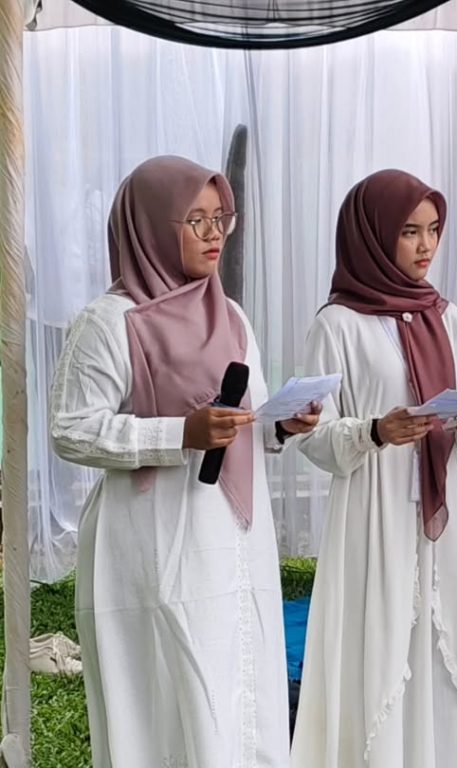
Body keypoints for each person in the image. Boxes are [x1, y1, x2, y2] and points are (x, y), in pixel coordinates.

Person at [49, 156, 319, 768]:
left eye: (220, 218)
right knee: (170, 699)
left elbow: (241, 419)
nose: (213, 233)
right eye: (195, 220)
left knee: (241, 687)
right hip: (156, 540)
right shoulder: (108, 322)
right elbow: (72, 430)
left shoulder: (231, 315)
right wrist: (180, 433)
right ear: (150, 225)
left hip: (235, 539)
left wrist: (280, 424)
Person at [290, 170, 457, 768]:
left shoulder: (449, 318)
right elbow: (313, 436)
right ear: (374, 235)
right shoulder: (338, 324)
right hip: (374, 508)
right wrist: (375, 431)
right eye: (409, 232)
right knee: (379, 640)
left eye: (433, 230)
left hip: (442, 515)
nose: (426, 245)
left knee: (443, 639)